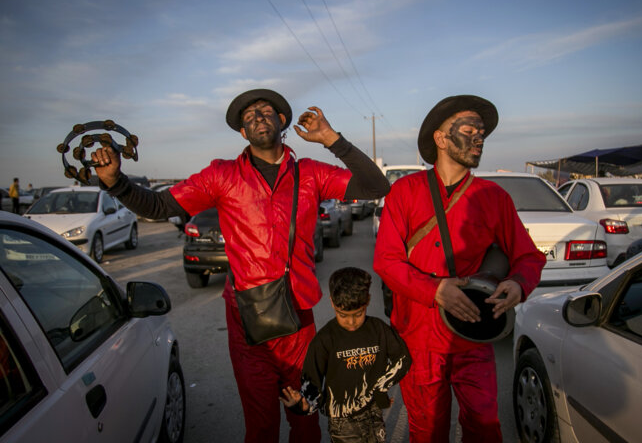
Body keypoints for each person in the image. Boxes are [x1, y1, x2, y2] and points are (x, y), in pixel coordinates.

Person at [90, 89, 390, 443]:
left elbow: (376, 186)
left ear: (282, 122)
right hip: (247, 320)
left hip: (298, 320)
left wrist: (330, 139)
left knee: (305, 417)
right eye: (249, 115)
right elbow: (159, 206)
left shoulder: (310, 173)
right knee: (261, 426)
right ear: (243, 133)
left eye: (266, 110)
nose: (258, 116)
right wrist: (115, 182)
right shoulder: (222, 175)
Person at [373, 95, 546, 442]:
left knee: (485, 427)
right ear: (440, 138)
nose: (479, 137)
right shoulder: (405, 192)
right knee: (427, 431)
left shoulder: (493, 196)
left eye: (482, 132)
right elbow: (386, 261)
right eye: (469, 129)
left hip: (473, 336)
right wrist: (435, 290)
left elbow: (529, 257)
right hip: (420, 338)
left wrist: (517, 284)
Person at [279, 267, 411, 443]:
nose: (351, 322)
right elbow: (312, 380)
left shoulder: (379, 330)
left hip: (374, 415)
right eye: (343, 315)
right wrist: (303, 404)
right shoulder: (324, 339)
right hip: (342, 422)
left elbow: (402, 359)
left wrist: (381, 386)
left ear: (368, 301)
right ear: (332, 303)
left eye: (358, 314)